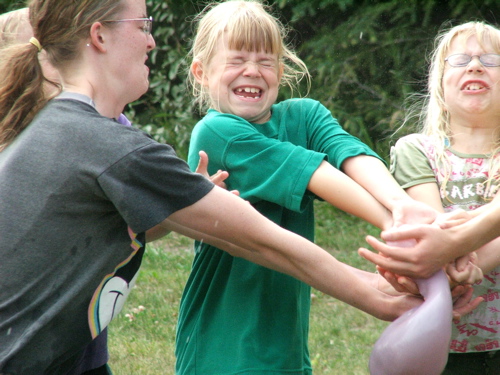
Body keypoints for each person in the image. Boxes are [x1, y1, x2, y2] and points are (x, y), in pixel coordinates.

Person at [0, 0, 427, 374]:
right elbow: (262, 243)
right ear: (99, 36)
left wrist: (182, 201)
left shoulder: (58, 128)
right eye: (143, 25)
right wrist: (377, 289)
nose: (151, 42)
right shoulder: (107, 146)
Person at [173, 1, 480, 374]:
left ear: (281, 71)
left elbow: (349, 155)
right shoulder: (216, 132)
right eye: (236, 60)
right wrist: (410, 231)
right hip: (221, 350)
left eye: (266, 61)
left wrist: (406, 212)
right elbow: (313, 172)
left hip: (287, 348)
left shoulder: (306, 115)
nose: (252, 71)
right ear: (201, 72)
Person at [385, 21, 500, 374]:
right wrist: (454, 257)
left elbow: (448, 246)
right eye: (460, 59)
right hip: (438, 342)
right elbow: (432, 234)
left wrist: (461, 256)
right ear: (440, 84)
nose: (476, 65)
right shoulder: (417, 150)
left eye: (492, 59)